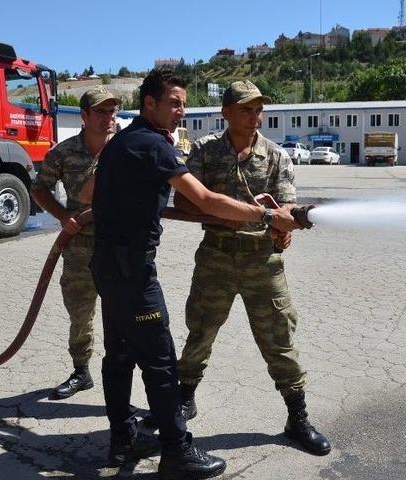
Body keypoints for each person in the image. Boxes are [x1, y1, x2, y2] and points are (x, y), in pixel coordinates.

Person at [88, 69, 300, 478]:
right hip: (133, 272)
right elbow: (203, 199)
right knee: (161, 361)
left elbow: (92, 194)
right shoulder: (153, 146)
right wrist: (266, 214)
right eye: (173, 102)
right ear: (149, 103)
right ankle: (177, 452)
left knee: (119, 354)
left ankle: (121, 438)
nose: (180, 111)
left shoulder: (121, 143)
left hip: (108, 266)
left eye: (183, 103)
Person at [173, 80, 331, 456]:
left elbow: (287, 207)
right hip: (216, 255)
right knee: (201, 331)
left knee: (279, 339)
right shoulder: (205, 152)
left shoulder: (276, 156)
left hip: (263, 261)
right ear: (225, 113)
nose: (255, 116)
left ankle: (297, 417)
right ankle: (185, 399)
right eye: (247, 109)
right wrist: (220, 213)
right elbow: (182, 204)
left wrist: (290, 222)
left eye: (259, 109)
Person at [30, 86, 120, 400]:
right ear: (84, 116)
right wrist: (62, 216)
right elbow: (38, 188)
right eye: (101, 111)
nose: (108, 117)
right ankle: (81, 372)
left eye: (112, 111)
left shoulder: (124, 148)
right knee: (81, 314)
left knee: (121, 315)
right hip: (80, 249)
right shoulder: (64, 152)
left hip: (118, 249)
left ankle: (120, 377)